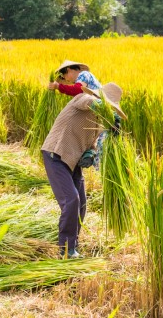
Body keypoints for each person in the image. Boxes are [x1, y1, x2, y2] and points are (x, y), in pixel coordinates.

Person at [41, 82, 126, 259]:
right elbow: (88, 101)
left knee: (81, 204)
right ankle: (65, 249)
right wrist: (103, 107)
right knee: (71, 200)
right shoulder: (82, 99)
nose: (108, 110)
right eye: (107, 105)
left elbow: (92, 144)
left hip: (72, 162)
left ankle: (73, 244)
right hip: (55, 154)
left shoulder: (97, 122)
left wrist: (91, 152)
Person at [48, 60, 104, 168]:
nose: (67, 80)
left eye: (65, 77)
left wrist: (58, 86)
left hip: (100, 111)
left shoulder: (84, 75)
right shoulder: (83, 81)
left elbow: (77, 90)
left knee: (100, 148)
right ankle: (91, 156)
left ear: (68, 70)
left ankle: (93, 157)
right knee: (94, 141)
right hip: (97, 115)